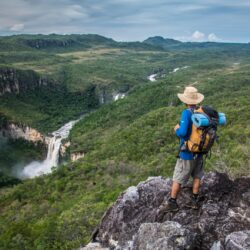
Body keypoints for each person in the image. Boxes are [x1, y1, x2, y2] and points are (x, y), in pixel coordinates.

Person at [160, 86, 205, 212]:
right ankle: (195, 201)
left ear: (186, 101)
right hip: (200, 151)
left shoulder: (186, 113)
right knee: (197, 175)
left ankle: (172, 203)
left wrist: (176, 129)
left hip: (187, 152)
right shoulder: (201, 111)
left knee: (178, 177)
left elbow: (183, 133)